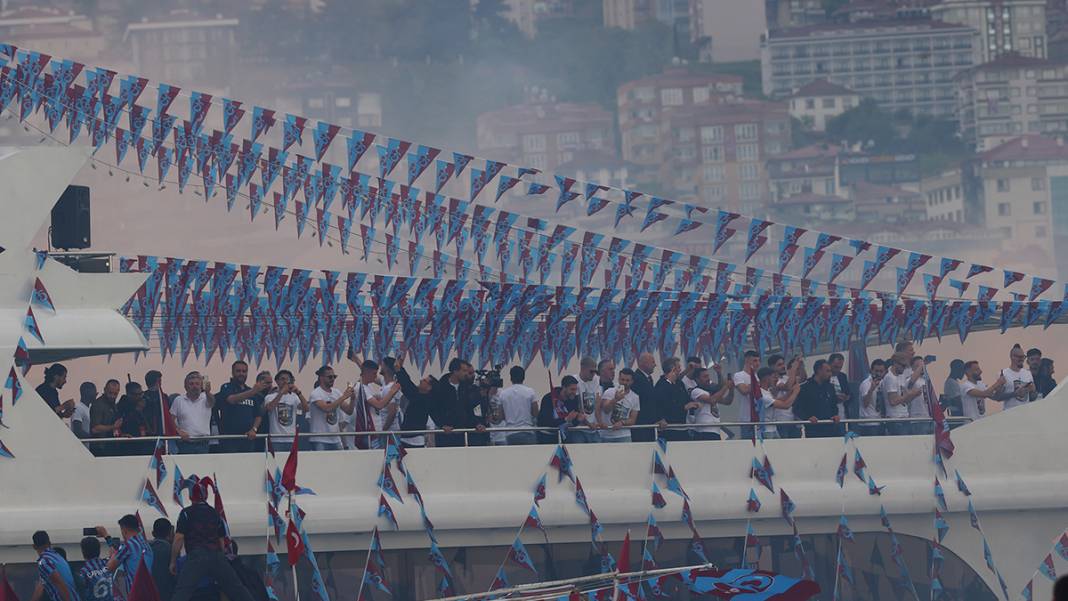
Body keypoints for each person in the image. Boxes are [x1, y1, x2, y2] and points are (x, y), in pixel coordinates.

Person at [169, 482, 255, 601]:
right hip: (216, 555)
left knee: (183, 591)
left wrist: (173, 561)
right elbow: (221, 539)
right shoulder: (215, 513)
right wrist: (221, 558)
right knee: (237, 589)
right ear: (205, 496)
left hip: (196, 556)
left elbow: (179, 538)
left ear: (190, 497)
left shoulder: (186, 513)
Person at [216, 362, 269, 453]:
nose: (241, 374)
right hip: (229, 440)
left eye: (244, 371)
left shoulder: (251, 391)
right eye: (238, 371)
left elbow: (258, 415)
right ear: (232, 372)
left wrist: (254, 429)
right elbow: (231, 399)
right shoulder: (226, 387)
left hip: (248, 439)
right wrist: (253, 392)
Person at [393, 353, 441, 448]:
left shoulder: (423, 399)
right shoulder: (421, 397)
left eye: (424, 380)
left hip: (413, 439)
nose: (420, 380)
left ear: (429, 387)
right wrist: (400, 369)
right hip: (410, 437)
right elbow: (408, 385)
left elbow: (408, 386)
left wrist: (399, 370)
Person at [98, 514, 154, 596]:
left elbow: (110, 567)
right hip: (147, 592)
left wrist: (107, 537)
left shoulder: (128, 546)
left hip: (135, 593)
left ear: (124, 529)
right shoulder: (146, 545)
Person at [308, 365, 355, 451]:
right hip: (319, 439)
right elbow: (327, 408)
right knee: (321, 463)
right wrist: (343, 397)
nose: (333, 379)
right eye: (330, 377)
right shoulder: (316, 393)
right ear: (321, 378)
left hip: (335, 438)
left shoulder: (336, 392)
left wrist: (353, 398)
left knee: (339, 463)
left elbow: (349, 411)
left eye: (334, 377)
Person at [432, 358, 477, 448]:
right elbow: (433, 409)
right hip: (445, 433)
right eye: (464, 371)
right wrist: (442, 425)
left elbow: (469, 408)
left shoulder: (466, 387)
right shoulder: (440, 387)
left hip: (461, 432)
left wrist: (476, 423)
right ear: (455, 371)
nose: (466, 374)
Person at [170, 372, 215, 454]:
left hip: (203, 444)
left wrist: (208, 392)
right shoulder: (179, 400)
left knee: (202, 467)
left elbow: (212, 402)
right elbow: (171, 419)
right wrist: (178, 431)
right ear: (185, 386)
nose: (195, 386)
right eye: (191, 384)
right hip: (185, 444)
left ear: (201, 386)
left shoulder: (206, 397)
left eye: (197, 384)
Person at [264, 370, 309, 453]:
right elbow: (269, 408)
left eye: (287, 379)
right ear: (277, 381)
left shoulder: (294, 397)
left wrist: (298, 393)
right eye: (282, 379)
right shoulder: (269, 397)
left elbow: (306, 409)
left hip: (291, 439)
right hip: (275, 440)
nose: (285, 381)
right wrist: (281, 393)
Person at [793, 359, 840, 438]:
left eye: (830, 371)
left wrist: (835, 415)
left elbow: (834, 406)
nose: (830, 374)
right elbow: (797, 408)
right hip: (813, 429)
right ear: (819, 370)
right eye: (827, 371)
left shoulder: (830, 387)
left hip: (830, 427)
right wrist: (807, 418)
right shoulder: (805, 387)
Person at [687, 367, 733, 441]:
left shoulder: (711, 392)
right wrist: (726, 386)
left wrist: (731, 389)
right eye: (705, 377)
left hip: (716, 431)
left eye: (708, 376)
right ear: (697, 379)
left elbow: (727, 401)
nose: (708, 378)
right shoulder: (696, 391)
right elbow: (712, 400)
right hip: (703, 432)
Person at [31, 531, 78, 601]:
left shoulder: (45, 561)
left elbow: (59, 583)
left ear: (34, 546)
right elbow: (40, 586)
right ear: (49, 543)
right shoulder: (57, 556)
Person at [882, 352, 922, 436]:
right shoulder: (890, 378)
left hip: (904, 417)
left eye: (905, 366)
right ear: (895, 363)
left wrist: (914, 395)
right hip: (895, 420)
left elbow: (904, 401)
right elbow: (893, 401)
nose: (904, 369)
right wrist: (909, 394)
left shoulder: (900, 376)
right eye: (902, 366)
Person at [496, 366, 538, 445]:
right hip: (527, 431)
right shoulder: (530, 391)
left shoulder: (503, 394)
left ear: (511, 377)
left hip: (510, 432)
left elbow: (500, 417)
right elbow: (535, 413)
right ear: (523, 377)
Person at [598, 368, 640, 442]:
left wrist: (622, 422)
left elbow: (633, 419)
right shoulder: (609, 392)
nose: (624, 382)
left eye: (627, 380)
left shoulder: (635, 397)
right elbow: (605, 410)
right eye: (622, 379)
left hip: (624, 435)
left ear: (632, 381)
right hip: (606, 435)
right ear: (618, 379)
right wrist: (615, 399)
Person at [653, 357, 690, 441]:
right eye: (679, 367)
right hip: (669, 428)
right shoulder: (661, 385)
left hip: (683, 426)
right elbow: (662, 404)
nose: (680, 370)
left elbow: (686, 398)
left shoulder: (680, 384)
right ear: (673, 369)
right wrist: (683, 407)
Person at [536, 375, 581, 444]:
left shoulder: (573, 399)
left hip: (563, 436)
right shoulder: (548, 398)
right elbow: (546, 421)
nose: (574, 392)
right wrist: (565, 419)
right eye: (572, 389)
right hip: (546, 436)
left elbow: (572, 422)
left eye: (575, 389)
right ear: (564, 387)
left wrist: (578, 420)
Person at [756, 367, 798, 439]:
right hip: (766, 430)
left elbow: (778, 400)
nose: (775, 380)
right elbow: (785, 405)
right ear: (766, 378)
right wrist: (796, 392)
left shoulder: (767, 392)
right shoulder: (761, 395)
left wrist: (790, 392)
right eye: (772, 377)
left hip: (773, 428)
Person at [994, 345, 1037, 410]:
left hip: (1026, 413)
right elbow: (998, 397)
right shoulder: (1003, 374)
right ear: (1012, 357)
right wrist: (1014, 394)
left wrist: (1033, 391)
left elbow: (1032, 398)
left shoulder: (1028, 373)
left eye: (1023, 357)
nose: (1022, 359)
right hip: (1010, 414)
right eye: (1019, 357)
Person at [768, 356, 802, 439]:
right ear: (772, 367)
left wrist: (799, 366)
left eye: (783, 364)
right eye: (779, 365)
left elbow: (799, 383)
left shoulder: (786, 378)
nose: (783, 366)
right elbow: (788, 387)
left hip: (793, 420)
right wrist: (793, 369)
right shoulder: (771, 380)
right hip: (780, 421)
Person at [114, 382, 152, 455]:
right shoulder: (122, 406)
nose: (139, 397)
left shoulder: (145, 403)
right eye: (136, 395)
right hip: (127, 445)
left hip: (142, 444)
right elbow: (119, 423)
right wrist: (136, 411)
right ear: (129, 394)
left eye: (141, 394)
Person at [571, 357, 602, 443]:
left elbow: (597, 402)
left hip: (594, 428)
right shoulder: (574, 380)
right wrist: (588, 423)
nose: (593, 374)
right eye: (591, 371)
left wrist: (600, 422)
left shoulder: (596, 379)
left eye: (595, 372)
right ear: (582, 368)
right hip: (579, 428)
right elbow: (577, 406)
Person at [732, 351, 762, 439]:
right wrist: (758, 383)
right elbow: (744, 390)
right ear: (747, 360)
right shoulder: (739, 375)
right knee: (748, 445)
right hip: (746, 419)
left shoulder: (758, 376)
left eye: (758, 361)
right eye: (755, 361)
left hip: (760, 418)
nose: (758, 363)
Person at [89, 380, 121, 457]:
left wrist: (122, 434)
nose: (113, 396)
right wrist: (113, 427)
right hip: (100, 448)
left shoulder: (113, 405)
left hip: (111, 446)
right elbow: (95, 429)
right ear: (105, 390)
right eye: (110, 393)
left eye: (115, 394)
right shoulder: (98, 404)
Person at [630, 353, 657, 442]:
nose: (655, 365)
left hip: (649, 424)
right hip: (640, 424)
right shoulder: (636, 379)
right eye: (653, 362)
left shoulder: (649, 379)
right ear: (644, 363)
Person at [856, 359, 887, 436]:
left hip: (880, 421)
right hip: (868, 423)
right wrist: (871, 389)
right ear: (871, 371)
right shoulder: (865, 384)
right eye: (876, 371)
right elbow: (865, 404)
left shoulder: (883, 382)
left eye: (881, 371)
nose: (878, 374)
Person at [76, 536, 112, 601]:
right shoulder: (109, 564)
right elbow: (115, 553)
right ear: (99, 549)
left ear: (83, 551)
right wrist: (106, 536)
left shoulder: (83, 572)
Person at [907, 356, 933, 435]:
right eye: (918, 365)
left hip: (928, 417)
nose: (922, 367)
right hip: (917, 419)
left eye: (923, 365)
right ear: (912, 367)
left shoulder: (925, 380)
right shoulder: (909, 379)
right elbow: (910, 384)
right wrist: (921, 366)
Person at [151, 518, 176, 601]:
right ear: (170, 534)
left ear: (153, 533)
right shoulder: (172, 551)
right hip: (167, 594)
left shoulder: (146, 549)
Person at [827, 353, 851, 421]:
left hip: (842, 412)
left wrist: (846, 396)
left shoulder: (842, 376)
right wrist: (835, 397)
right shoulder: (824, 377)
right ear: (829, 363)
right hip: (829, 414)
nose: (838, 370)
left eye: (840, 367)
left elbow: (848, 392)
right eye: (836, 367)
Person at [142, 370, 166, 438]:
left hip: (160, 431)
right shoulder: (142, 397)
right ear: (158, 381)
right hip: (146, 431)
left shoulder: (163, 397)